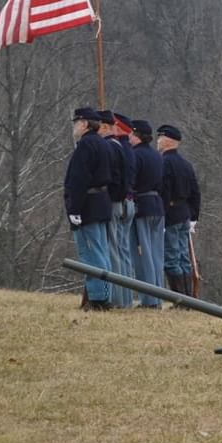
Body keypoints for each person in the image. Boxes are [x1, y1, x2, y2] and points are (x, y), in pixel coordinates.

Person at [65, 107, 114, 310]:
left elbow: (79, 179)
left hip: (88, 204)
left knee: (91, 254)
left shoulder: (85, 145)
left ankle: (98, 298)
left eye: (77, 122)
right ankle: (104, 295)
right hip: (101, 202)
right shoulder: (103, 144)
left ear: (84, 123)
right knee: (101, 252)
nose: (75, 127)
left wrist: (74, 208)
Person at [98, 110, 136, 308]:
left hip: (116, 202)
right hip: (126, 201)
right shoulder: (124, 148)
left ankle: (118, 299)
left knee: (114, 251)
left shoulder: (114, 147)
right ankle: (125, 299)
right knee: (122, 252)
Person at [157, 124, 201, 296]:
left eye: (160, 138)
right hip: (185, 214)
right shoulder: (186, 164)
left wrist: (163, 216)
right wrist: (193, 217)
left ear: (168, 141)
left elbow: (164, 192)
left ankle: (180, 298)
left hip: (172, 213)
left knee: (171, 258)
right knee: (183, 258)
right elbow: (195, 192)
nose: (158, 141)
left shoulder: (165, 162)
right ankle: (187, 296)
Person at [129, 119, 165, 307]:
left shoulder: (135, 155)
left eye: (131, 134)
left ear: (136, 135)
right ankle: (157, 295)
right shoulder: (157, 156)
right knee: (157, 254)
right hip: (157, 206)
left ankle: (149, 299)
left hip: (142, 205)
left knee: (143, 256)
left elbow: (132, 181)